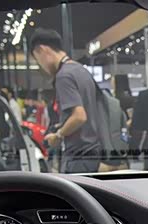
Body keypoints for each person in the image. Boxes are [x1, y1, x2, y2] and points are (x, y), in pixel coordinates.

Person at [30, 28, 106, 174]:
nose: (41, 66)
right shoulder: (81, 70)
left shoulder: (64, 76)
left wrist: (58, 135)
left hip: (77, 156)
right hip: (93, 152)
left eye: (38, 60)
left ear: (42, 50)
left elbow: (79, 116)